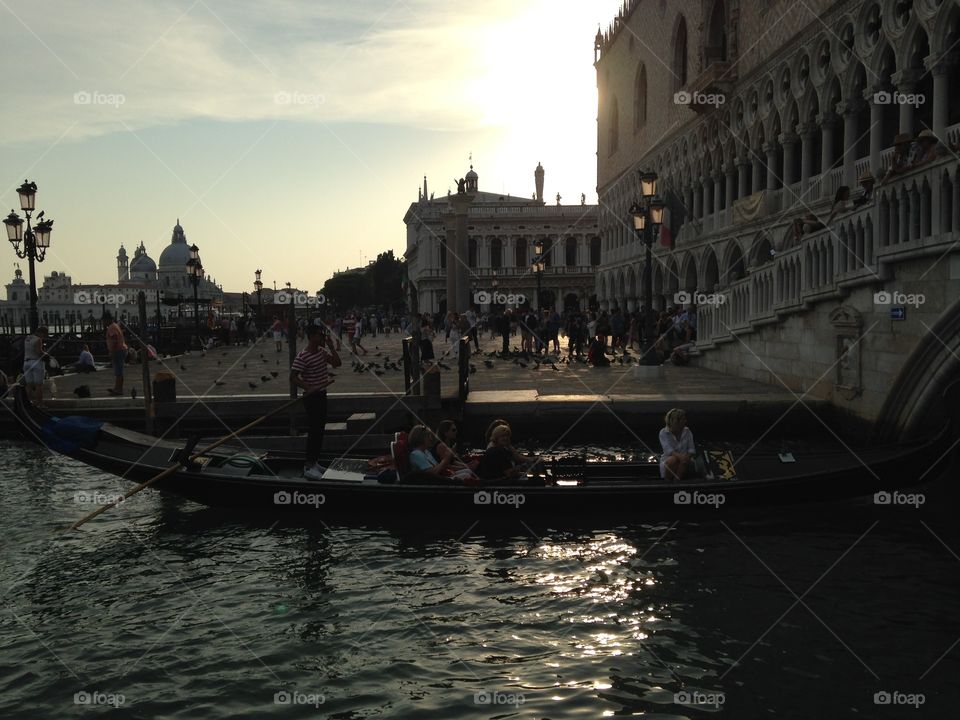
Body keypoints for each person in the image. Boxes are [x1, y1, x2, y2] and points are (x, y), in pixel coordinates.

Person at [290, 321, 342, 480]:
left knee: (319, 430)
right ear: (312, 336)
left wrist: (332, 347)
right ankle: (308, 465)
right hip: (311, 397)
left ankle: (314, 462)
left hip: (321, 394)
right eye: (320, 335)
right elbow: (293, 377)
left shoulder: (322, 352)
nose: (323, 337)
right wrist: (307, 386)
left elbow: (337, 364)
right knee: (314, 430)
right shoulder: (303, 356)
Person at [659, 408, 696, 481]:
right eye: (683, 419)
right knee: (673, 460)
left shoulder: (687, 431)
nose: (685, 421)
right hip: (669, 459)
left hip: (685, 461)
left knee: (685, 460)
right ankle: (667, 481)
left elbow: (691, 449)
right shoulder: (663, 433)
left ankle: (676, 481)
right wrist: (680, 457)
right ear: (676, 421)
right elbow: (668, 450)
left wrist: (685, 457)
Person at [22, 326, 48, 404]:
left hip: (26, 362)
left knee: (28, 385)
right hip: (36, 362)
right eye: (44, 335)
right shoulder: (38, 339)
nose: (43, 337)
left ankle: (28, 403)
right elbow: (39, 352)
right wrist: (46, 354)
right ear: (41, 333)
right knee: (38, 385)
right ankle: (40, 404)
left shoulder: (27, 338)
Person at [104, 313, 126, 395]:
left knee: (119, 371)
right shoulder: (115, 326)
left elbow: (113, 339)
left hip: (118, 351)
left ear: (108, 320)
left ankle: (119, 389)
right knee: (118, 371)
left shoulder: (111, 328)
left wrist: (111, 352)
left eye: (104, 320)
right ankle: (117, 388)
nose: (103, 323)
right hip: (121, 349)